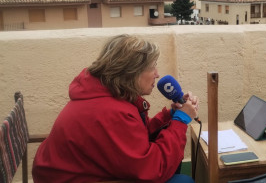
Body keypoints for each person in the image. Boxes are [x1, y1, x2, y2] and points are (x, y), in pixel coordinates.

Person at [32, 34, 198, 183]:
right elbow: (155, 169)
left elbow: (134, 137)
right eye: (152, 66)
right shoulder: (111, 112)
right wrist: (180, 121)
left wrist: (171, 115)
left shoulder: (110, 96)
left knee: (176, 171)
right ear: (132, 72)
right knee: (183, 181)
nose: (157, 74)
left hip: (80, 173)